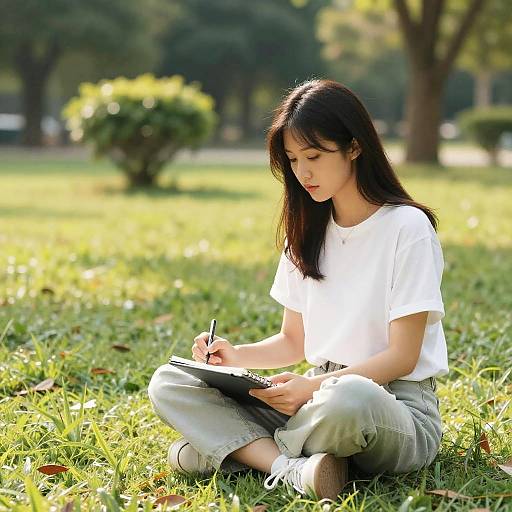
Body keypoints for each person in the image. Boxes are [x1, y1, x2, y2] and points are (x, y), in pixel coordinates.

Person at [148, 79, 447, 501]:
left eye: (314, 156)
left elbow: (403, 356)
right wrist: (236, 357)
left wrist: (314, 390)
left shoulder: (407, 228)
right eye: (291, 159)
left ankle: (237, 451)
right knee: (169, 382)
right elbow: (293, 341)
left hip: (389, 407)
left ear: (355, 147)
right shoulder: (305, 233)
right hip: (310, 403)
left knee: (348, 400)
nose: (302, 172)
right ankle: (293, 468)